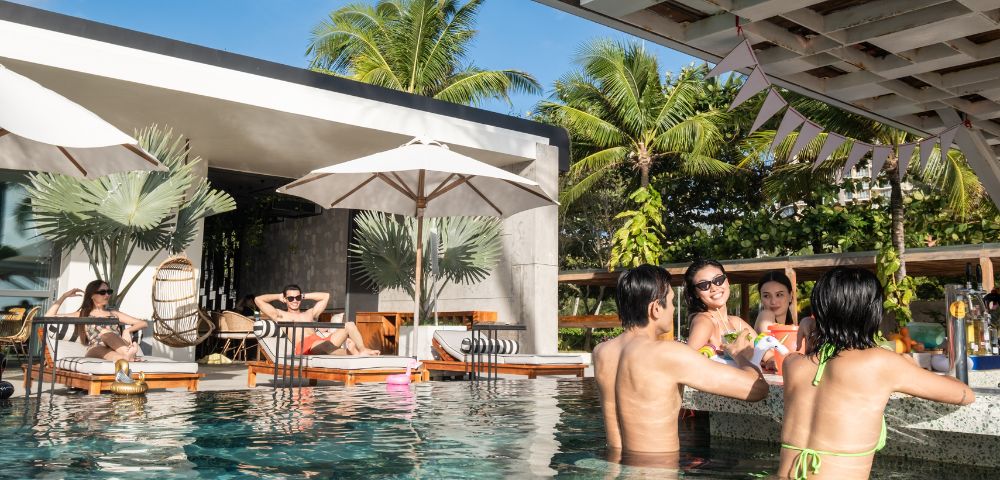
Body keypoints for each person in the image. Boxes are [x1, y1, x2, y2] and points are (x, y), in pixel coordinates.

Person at [780, 267, 974, 479]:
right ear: (872, 312)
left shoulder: (792, 365)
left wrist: (811, 325)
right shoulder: (881, 363)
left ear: (819, 310)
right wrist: (910, 365)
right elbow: (964, 394)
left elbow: (813, 356)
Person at [593, 264, 768, 456]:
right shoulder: (668, 354)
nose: (674, 310)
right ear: (656, 309)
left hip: (613, 464)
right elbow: (757, 389)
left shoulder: (602, 352)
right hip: (657, 470)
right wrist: (738, 354)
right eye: (671, 301)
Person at [254, 285, 379, 356]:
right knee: (327, 347)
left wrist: (303, 295)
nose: (295, 300)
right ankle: (353, 352)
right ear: (285, 300)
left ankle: (361, 350)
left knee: (349, 325)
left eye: (297, 297)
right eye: (290, 298)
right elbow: (258, 300)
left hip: (320, 342)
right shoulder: (281, 315)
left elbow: (325, 296)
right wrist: (278, 296)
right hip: (305, 347)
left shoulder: (309, 313)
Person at [46, 280, 148, 362]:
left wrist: (127, 331)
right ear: (92, 295)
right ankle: (129, 354)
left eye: (109, 292)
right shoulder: (83, 314)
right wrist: (64, 296)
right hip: (96, 348)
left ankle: (127, 357)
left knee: (108, 335)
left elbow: (143, 323)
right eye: (102, 292)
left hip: (116, 346)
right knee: (104, 334)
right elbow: (48, 317)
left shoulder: (113, 314)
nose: (107, 295)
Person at [684, 259, 757, 355]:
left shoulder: (736, 322)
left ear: (727, 282)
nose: (714, 288)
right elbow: (687, 359)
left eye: (718, 280)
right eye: (704, 285)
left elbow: (764, 351)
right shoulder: (705, 321)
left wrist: (770, 359)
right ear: (695, 293)